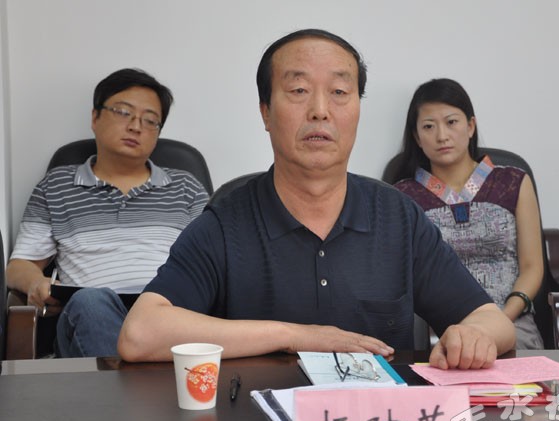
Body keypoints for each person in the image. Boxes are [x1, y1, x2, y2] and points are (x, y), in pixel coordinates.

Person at [118, 29, 515, 369]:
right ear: (266, 113)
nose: (320, 110)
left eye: (340, 92)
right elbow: (140, 334)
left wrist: (473, 335)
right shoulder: (227, 223)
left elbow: (492, 321)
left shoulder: (396, 216)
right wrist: (293, 336)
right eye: (298, 90)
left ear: (357, 109)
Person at [7, 68, 210, 357]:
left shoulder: (186, 188)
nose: (136, 127)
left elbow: (213, 263)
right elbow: (20, 265)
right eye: (124, 112)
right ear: (95, 117)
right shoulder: (57, 186)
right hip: (89, 315)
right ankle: (131, 384)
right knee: (92, 301)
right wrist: (36, 283)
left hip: (166, 314)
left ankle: (130, 382)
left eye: (150, 120)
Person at [393, 78, 544, 349]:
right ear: (417, 137)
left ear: (471, 126)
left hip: (510, 321)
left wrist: (501, 321)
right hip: (433, 329)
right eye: (429, 126)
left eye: (451, 122)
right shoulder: (402, 196)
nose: (442, 135)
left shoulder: (513, 182)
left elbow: (532, 266)